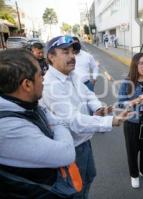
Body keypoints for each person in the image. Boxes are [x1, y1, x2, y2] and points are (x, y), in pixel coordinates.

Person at [41, 35, 129, 199]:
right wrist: (111, 120)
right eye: (65, 52)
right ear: (51, 57)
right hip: (71, 149)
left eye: (72, 52)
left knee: (89, 178)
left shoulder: (71, 75)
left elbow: (89, 95)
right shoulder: (50, 85)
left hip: (84, 142)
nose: (72, 56)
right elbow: (73, 121)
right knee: (75, 191)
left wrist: (99, 108)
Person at [0, 49, 75, 198]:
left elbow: (49, 115)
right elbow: (66, 153)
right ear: (27, 85)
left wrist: (54, 122)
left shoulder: (24, 103)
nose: (44, 80)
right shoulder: (7, 127)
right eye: (40, 75)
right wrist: (60, 125)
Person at [118, 52, 143, 189]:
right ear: (135, 64)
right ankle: (134, 174)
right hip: (132, 122)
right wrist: (135, 101)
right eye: (141, 63)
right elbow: (120, 103)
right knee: (132, 150)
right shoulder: (127, 82)